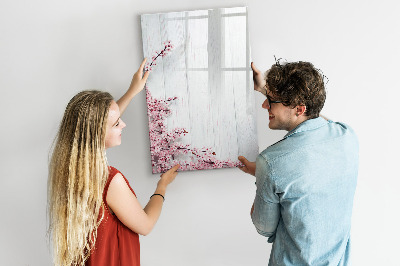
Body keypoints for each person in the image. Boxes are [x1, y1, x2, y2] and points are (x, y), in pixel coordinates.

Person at [48, 59, 180, 266]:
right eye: (117, 123)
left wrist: (132, 91)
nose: (124, 124)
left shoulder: (69, 170)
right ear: (97, 133)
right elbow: (145, 225)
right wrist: (161, 186)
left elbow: (102, 120)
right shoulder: (110, 181)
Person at [239, 60, 359, 265]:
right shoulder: (347, 135)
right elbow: (315, 117)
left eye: (271, 100)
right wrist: (265, 89)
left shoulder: (270, 162)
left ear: (299, 108)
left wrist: (263, 176)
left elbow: (264, 227)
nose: (264, 104)